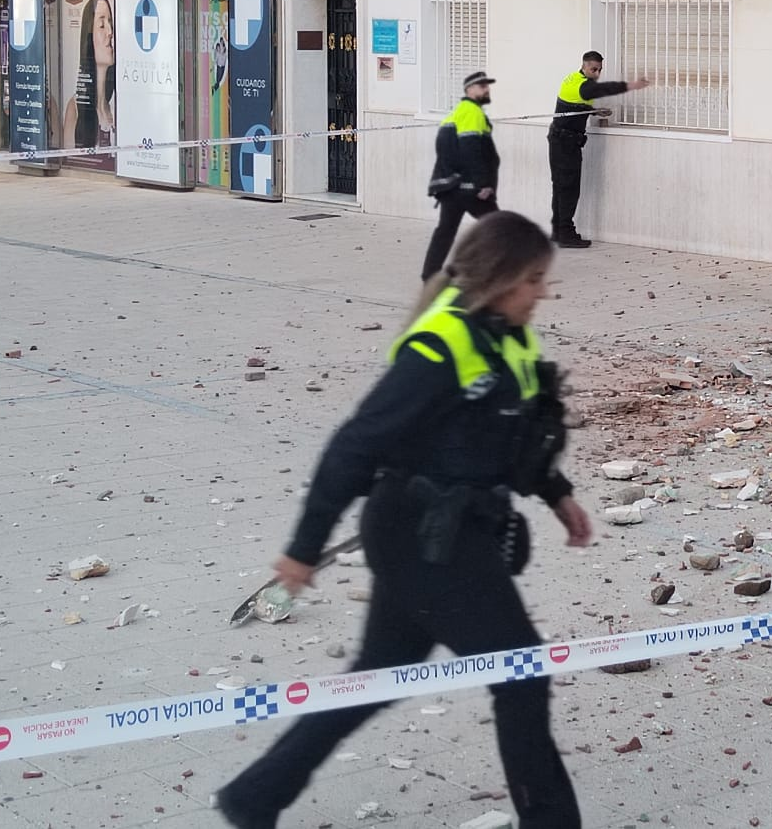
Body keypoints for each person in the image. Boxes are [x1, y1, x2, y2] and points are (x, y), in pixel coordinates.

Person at [214, 211, 590, 829]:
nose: (542, 293)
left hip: (451, 532)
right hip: (420, 539)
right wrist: (303, 551)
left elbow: (515, 436)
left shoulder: (511, 338)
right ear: (499, 279)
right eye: (533, 279)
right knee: (522, 673)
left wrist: (557, 495)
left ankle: (255, 796)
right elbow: (352, 447)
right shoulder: (439, 347)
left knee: (379, 674)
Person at [547, 50, 650, 248]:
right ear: (584, 65)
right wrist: (632, 85)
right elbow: (604, 89)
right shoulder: (585, 86)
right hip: (567, 143)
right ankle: (566, 234)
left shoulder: (571, 79)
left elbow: (576, 104)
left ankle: (557, 231)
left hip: (558, 139)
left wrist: (594, 111)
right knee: (569, 188)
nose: (597, 74)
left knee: (560, 186)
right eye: (594, 69)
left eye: (599, 70)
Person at [422, 70, 499, 279]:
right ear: (470, 89)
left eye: (487, 85)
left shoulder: (459, 112)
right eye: (482, 86)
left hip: (451, 186)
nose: (487, 89)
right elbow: (471, 150)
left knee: (445, 231)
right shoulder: (472, 112)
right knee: (499, 229)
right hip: (468, 188)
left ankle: (430, 275)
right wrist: (481, 183)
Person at [61, 0, 116, 152]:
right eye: (101, 25)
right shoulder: (76, 107)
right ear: (89, 35)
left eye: (110, 23)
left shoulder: (117, 105)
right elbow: (70, 160)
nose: (110, 32)